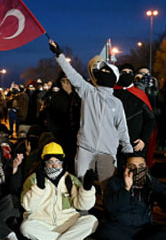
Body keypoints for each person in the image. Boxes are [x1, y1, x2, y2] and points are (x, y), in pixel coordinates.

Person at [48, 40, 133, 186]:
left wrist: (128, 150)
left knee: (108, 187)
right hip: (85, 149)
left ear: (114, 78)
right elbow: (72, 74)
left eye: (107, 71)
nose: (104, 73)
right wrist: (59, 54)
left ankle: (107, 208)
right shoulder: (88, 92)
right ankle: (82, 209)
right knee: (81, 185)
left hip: (107, 152)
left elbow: (122, 128)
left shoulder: (116, 103)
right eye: (102, 71)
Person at [100, 154, 166, 240]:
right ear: (125, 168)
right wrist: (126, 188)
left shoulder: (151, 182)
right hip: (121, 228)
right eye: (132, 166)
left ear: (146, 167)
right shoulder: (115, 182)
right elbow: (110, 208)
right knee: (105, 228)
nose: (137, 169)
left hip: (144, 229)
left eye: (141, 166)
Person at [20, 142, 97, 240]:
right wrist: (39, 188)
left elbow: (82, 206)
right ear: (44, 162)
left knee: (92, 221)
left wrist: (87, 189)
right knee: (25, 228)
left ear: (62, 163)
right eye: (50, 162)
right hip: (43, 223)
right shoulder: (33, 179)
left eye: (58, 162)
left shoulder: (70, 179)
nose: (54, 166)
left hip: (68, 223)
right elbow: (27, 206)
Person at [113, 63, 155, 167]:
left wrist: (143, 140)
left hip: (135, 144)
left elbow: (150, 120)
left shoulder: (140, 94)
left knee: (136, 175)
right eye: (124, 72)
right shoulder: (112, 93)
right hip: (114, 144)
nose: (127, 75)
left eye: (130, 73)